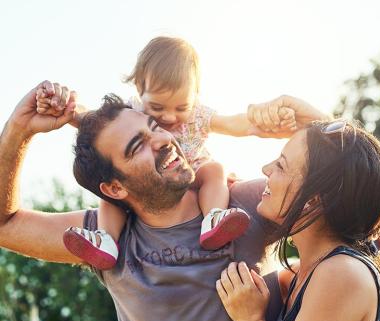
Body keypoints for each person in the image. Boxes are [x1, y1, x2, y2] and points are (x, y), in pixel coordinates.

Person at [0, 81, 326, 321]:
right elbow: (5, 225)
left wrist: (316, 122)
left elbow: (361, 189)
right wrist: (19, 128)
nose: (161, 139)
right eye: (136, 146)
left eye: (154, 126)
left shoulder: (247, 205)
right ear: (115, 189)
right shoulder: (104, 239)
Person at [36, 36, 297, 269]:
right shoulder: (132, 113)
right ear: (140, 90)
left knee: (214, 170)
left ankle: (214, 218)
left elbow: (233, 123)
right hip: (152, 184)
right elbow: (93, 121)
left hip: (194, 173)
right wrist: (65, 109)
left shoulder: (197, 116)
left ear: (195, 95)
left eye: (181, 106)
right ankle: (106, 240)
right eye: (158, 107)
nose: (170, 117)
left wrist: (262, 124)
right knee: (113, 194)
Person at [217, 107, 380, 321]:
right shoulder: (302, 274)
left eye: (280, 165)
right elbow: (379, 195)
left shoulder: (341, 275)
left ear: (313, 199)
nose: (265, 169)